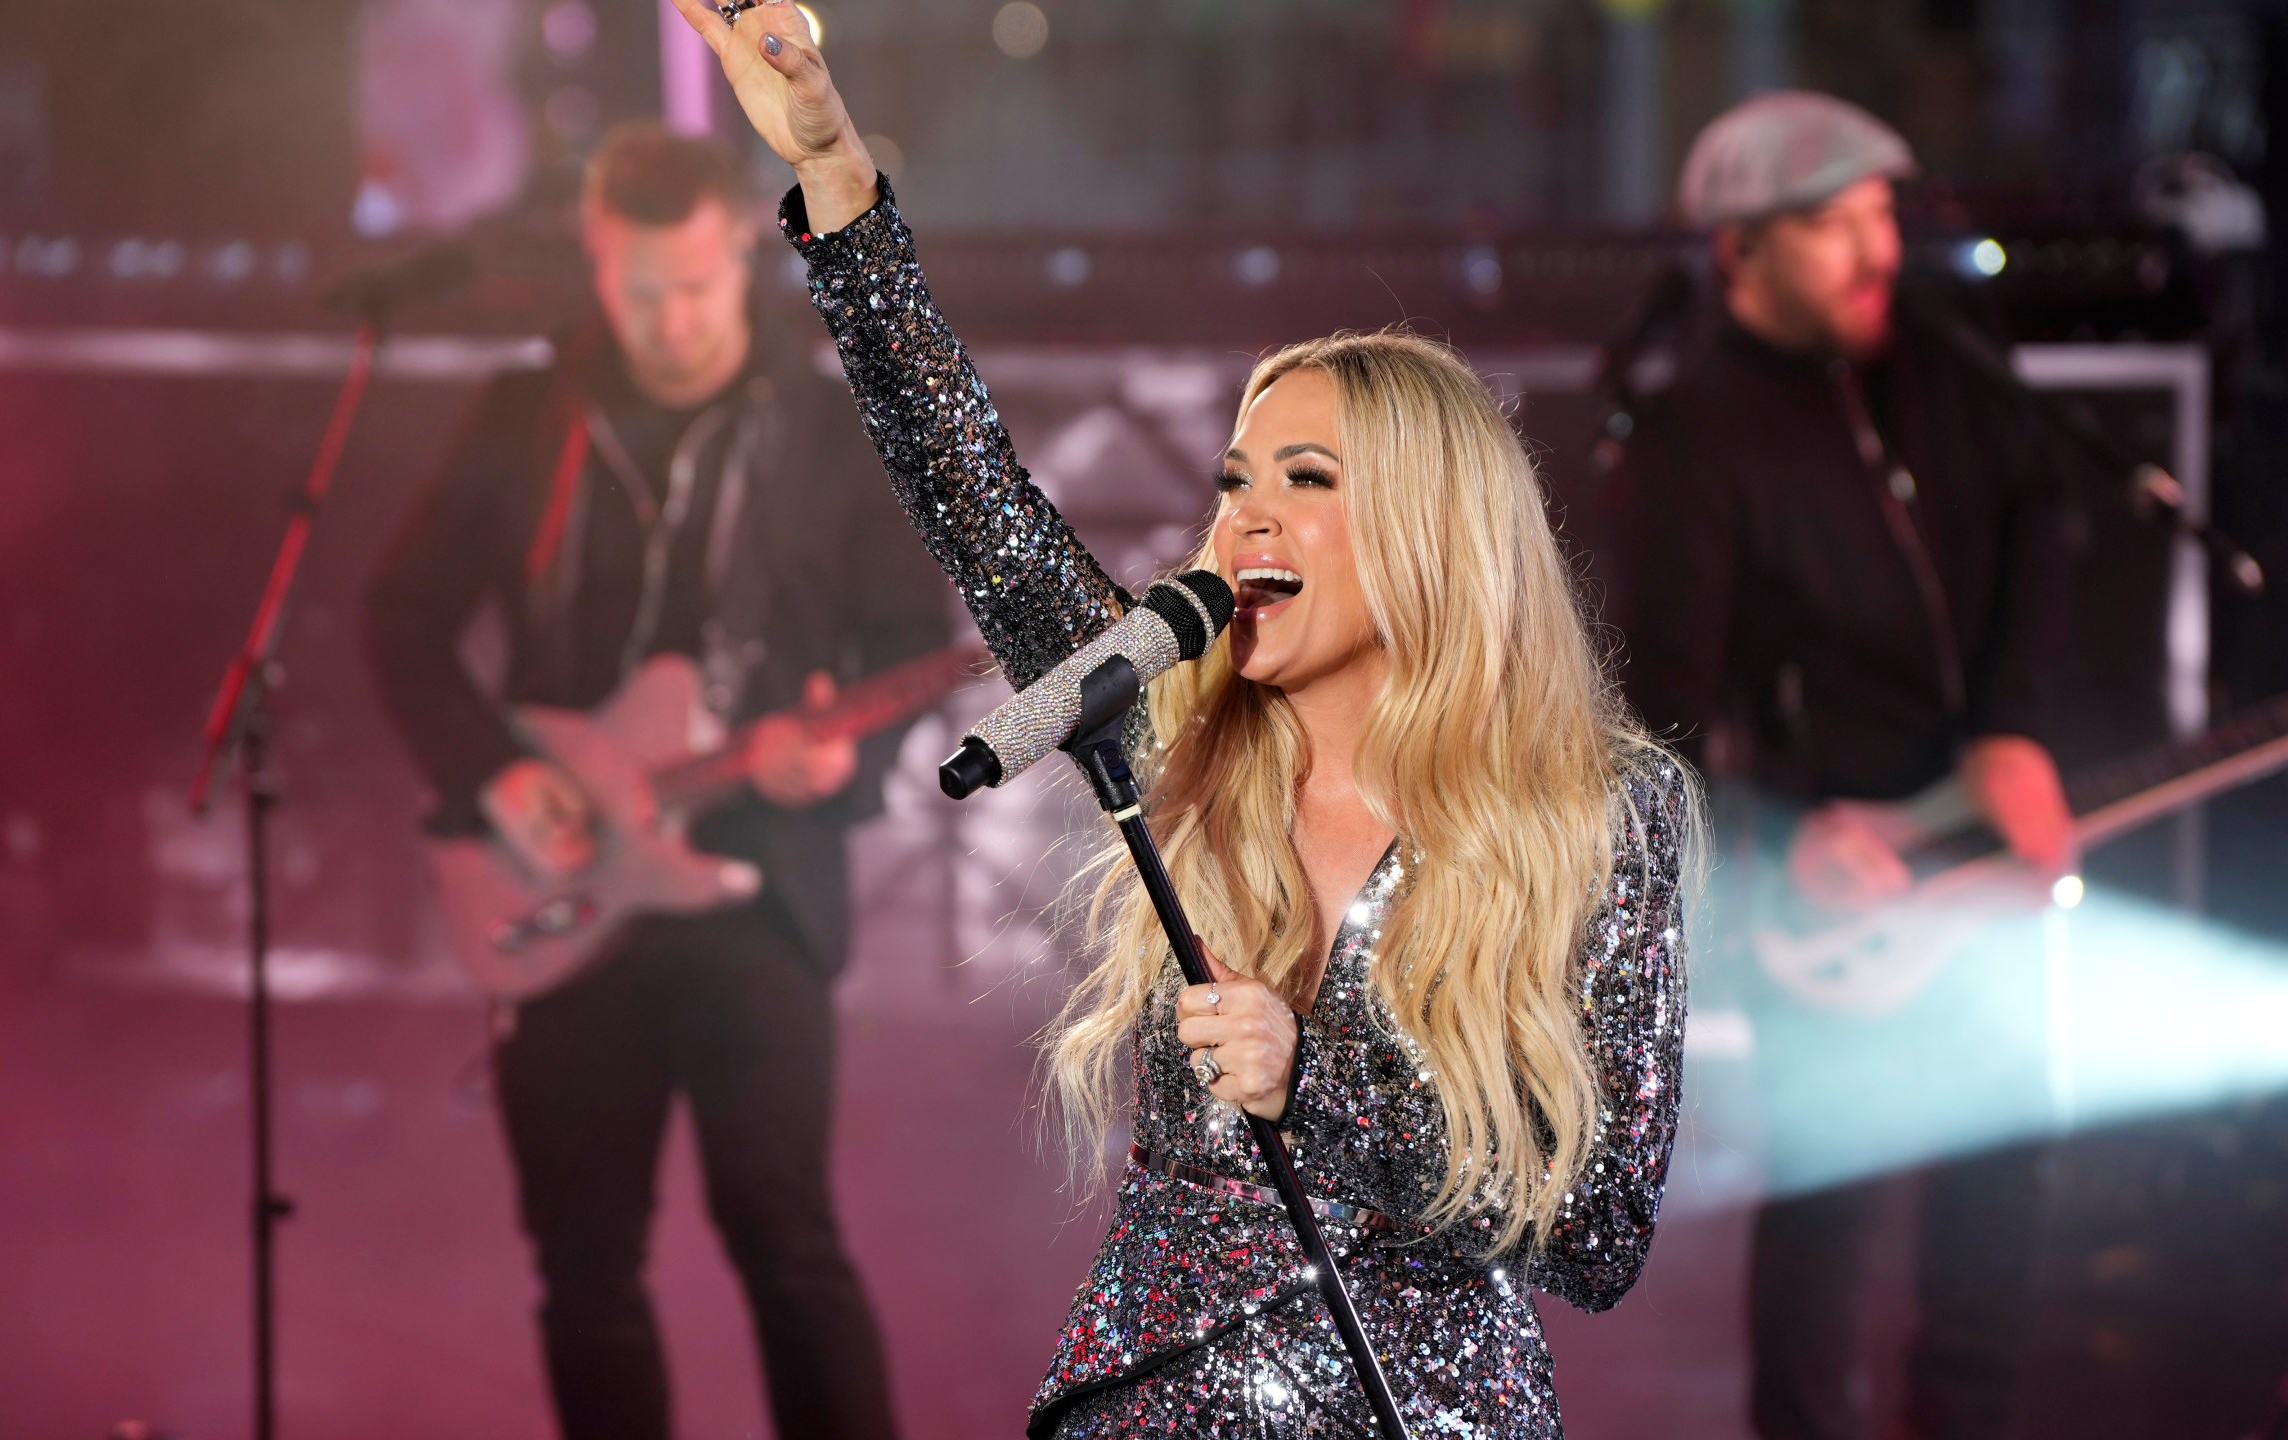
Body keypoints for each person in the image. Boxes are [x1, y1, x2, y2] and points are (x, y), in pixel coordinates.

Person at [667, 3, 1701, 1434]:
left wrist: (1317, 1084)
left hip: (1424, 1414)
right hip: (1153, 1405)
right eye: (1232, 476)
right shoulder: (1182, 738)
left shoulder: (1596, 808)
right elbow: (975, 495)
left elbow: (1598, 1236)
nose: (1244, 511)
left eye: (1306, 479)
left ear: (1429, 529)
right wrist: (837, 175)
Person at [365, 121, 950, 1440]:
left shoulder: (828, 424)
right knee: (584, 1273)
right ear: (596, 255)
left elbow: (910, 644)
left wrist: (844, 766)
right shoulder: (528, 414)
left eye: (695, 285)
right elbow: (399, 617)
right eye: (641, 291)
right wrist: (490, 778)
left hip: (759, 892)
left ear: (740, 250)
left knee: (787, 1240)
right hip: (566, 894)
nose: (673, 320)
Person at [1606, 93, 2075, 1440]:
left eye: (1880, 216)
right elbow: (1661, 716)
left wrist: (2015, 726)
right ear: (1738, 252)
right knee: (1832, 1220)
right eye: (1831, 224)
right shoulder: (1695, 428)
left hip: (1978, 856)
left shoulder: (1948, 362)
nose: (1876, 251)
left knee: (2000, 1199)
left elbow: (2047, 515)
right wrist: (1784, 833)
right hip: (1827, 888)